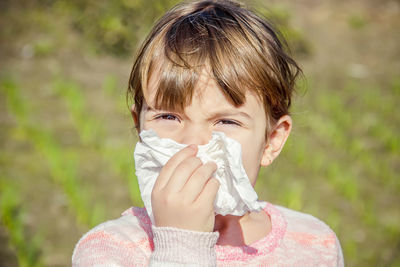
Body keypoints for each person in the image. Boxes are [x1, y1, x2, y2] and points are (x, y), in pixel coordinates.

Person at [72, 0, 344, 266]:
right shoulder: (109, 252)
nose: (192, 142)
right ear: (139, 126)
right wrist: (181, 246)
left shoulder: (316, 246)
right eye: (168, 116)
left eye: (226, 122)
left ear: (271, 140)